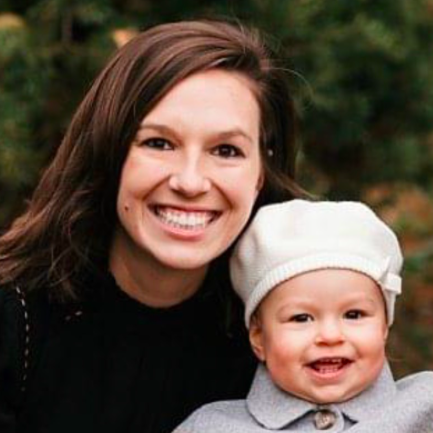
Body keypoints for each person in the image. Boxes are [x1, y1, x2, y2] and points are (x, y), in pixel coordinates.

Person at [0, 19, 305, 433]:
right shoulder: (16, 319)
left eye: (226, 150)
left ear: (261, 173)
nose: (190, 182)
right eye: (159, 143)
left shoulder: (291, 336)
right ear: (108, 151)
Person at [173, 200, 433, 433]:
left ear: (384, 327)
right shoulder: (209, 426)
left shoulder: (424, 404)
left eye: (354, 314)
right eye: (301, 318)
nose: (330, 336)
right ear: (259, 337)